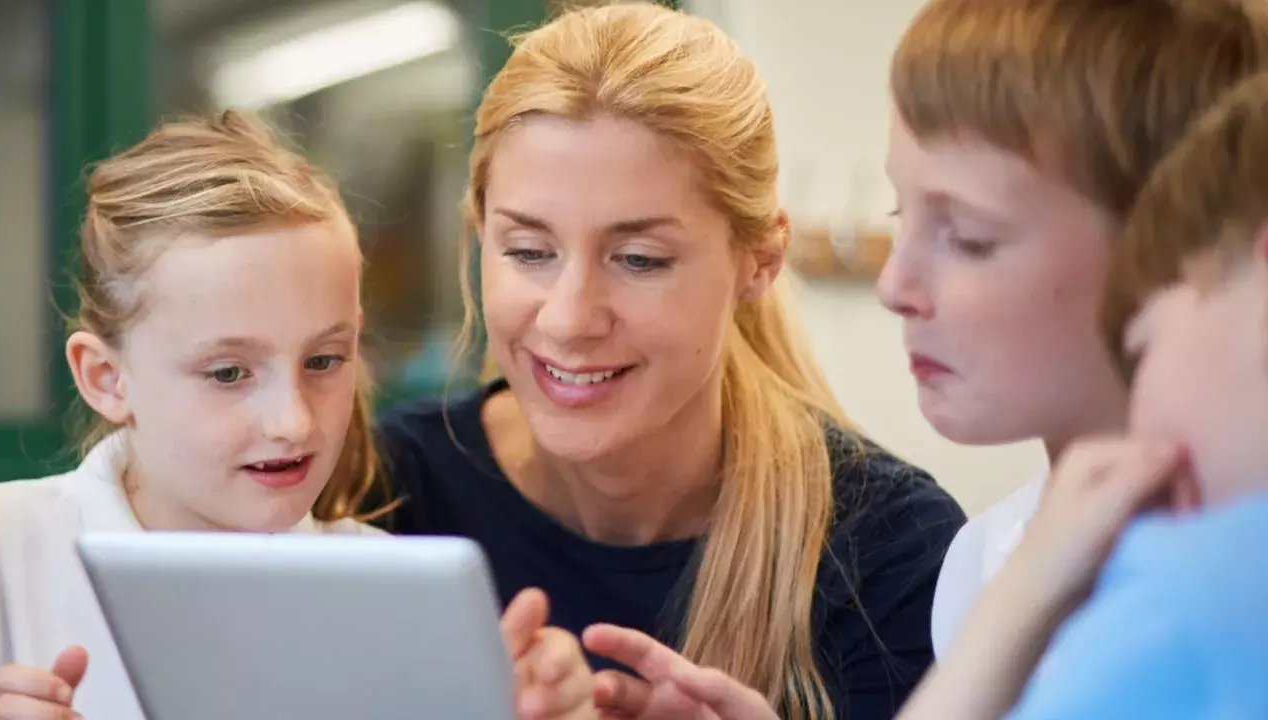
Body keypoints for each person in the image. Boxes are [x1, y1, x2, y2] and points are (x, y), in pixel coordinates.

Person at [0, 111, 598, 720]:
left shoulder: (394, 595)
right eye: (228, 372)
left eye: (324, 361)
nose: (293, 422)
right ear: (106, 378)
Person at [372, 4, 964, 719]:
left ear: (760, 260)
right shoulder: (387, 494)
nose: (568, 318)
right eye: (529, 252)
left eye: (639, 260)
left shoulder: (889, 556)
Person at [877, 0, 1268, 655]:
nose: (894, 287)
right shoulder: (984, 559)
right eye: (899, 212)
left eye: (968, 239)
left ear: (1171, 254)